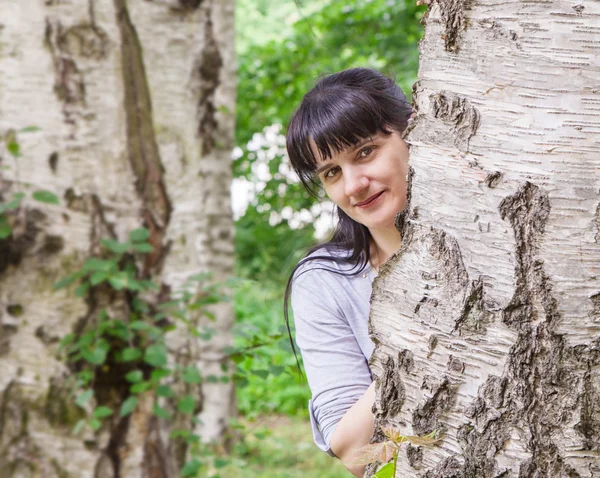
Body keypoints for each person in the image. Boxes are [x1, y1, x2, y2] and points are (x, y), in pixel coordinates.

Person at [283, 67, 413, 477]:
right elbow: (355, 453)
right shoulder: (325, 282)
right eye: (332, 172)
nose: (354, 185)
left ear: (414, 134)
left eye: (364, 151)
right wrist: (431, 335)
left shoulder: (502, 242)